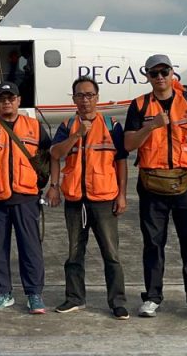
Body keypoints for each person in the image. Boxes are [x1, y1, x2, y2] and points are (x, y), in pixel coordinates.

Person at [123, 54, 187, 321]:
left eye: (165, 72)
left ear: (173, 73)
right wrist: (151, 126)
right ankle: (152, 297)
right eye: (155, 73)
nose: (161, 77)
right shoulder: (139, 105)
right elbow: (129, 144)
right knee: (153, 243)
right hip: (152, 183)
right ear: (148, 77)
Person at [47, 76, 130, 319]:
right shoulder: (66, 125)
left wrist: (122, 195)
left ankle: (117, 301)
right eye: (80, 96)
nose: (85, 100)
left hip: (104, 198)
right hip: (75, 200)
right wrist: (76, 136)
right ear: (73, 99)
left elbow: (121, 161)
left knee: (111, 254)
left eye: (89, 95)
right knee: (74, 253)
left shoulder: (111, 124)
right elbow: (55, 154)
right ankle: (75, 297)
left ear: (97, 97)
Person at [0, 81, 51, 314]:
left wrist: (49, 184)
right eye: (2, 98)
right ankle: (3, 293)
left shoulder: (34, 127)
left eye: (11, 98)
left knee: (30, 248)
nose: (7, 102)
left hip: (26, 198)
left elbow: (49, 154)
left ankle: (34, 294)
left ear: (18, 101)